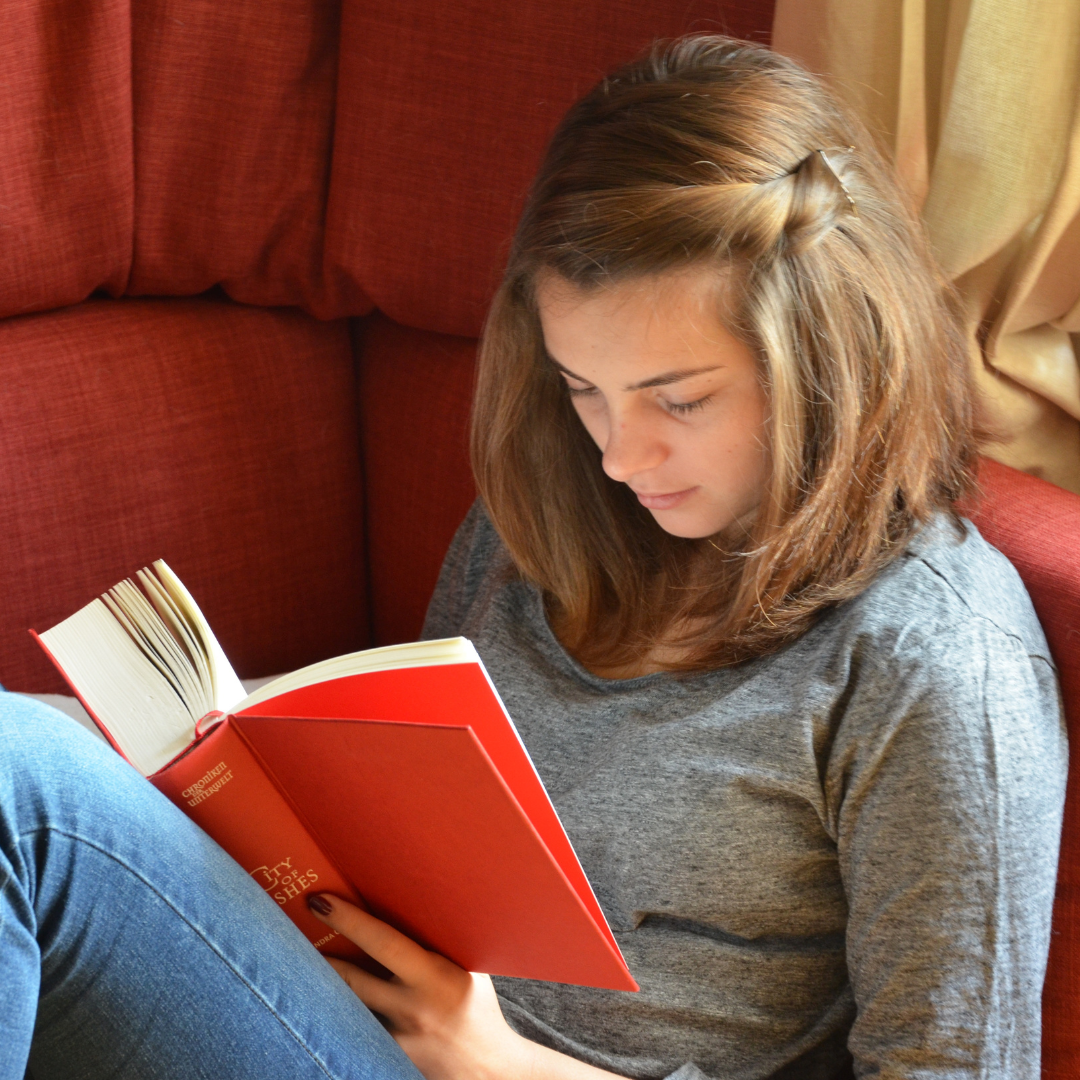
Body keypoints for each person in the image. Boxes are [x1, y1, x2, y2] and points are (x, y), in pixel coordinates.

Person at [2, 35, 1066, 1080]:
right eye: (583, 388)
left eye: (681, 398)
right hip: (337, 1019)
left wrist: (497, 1063)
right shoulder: (546, 521)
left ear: (832, 356)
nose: (620, 453)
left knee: (18, 781)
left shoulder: (935, 657)